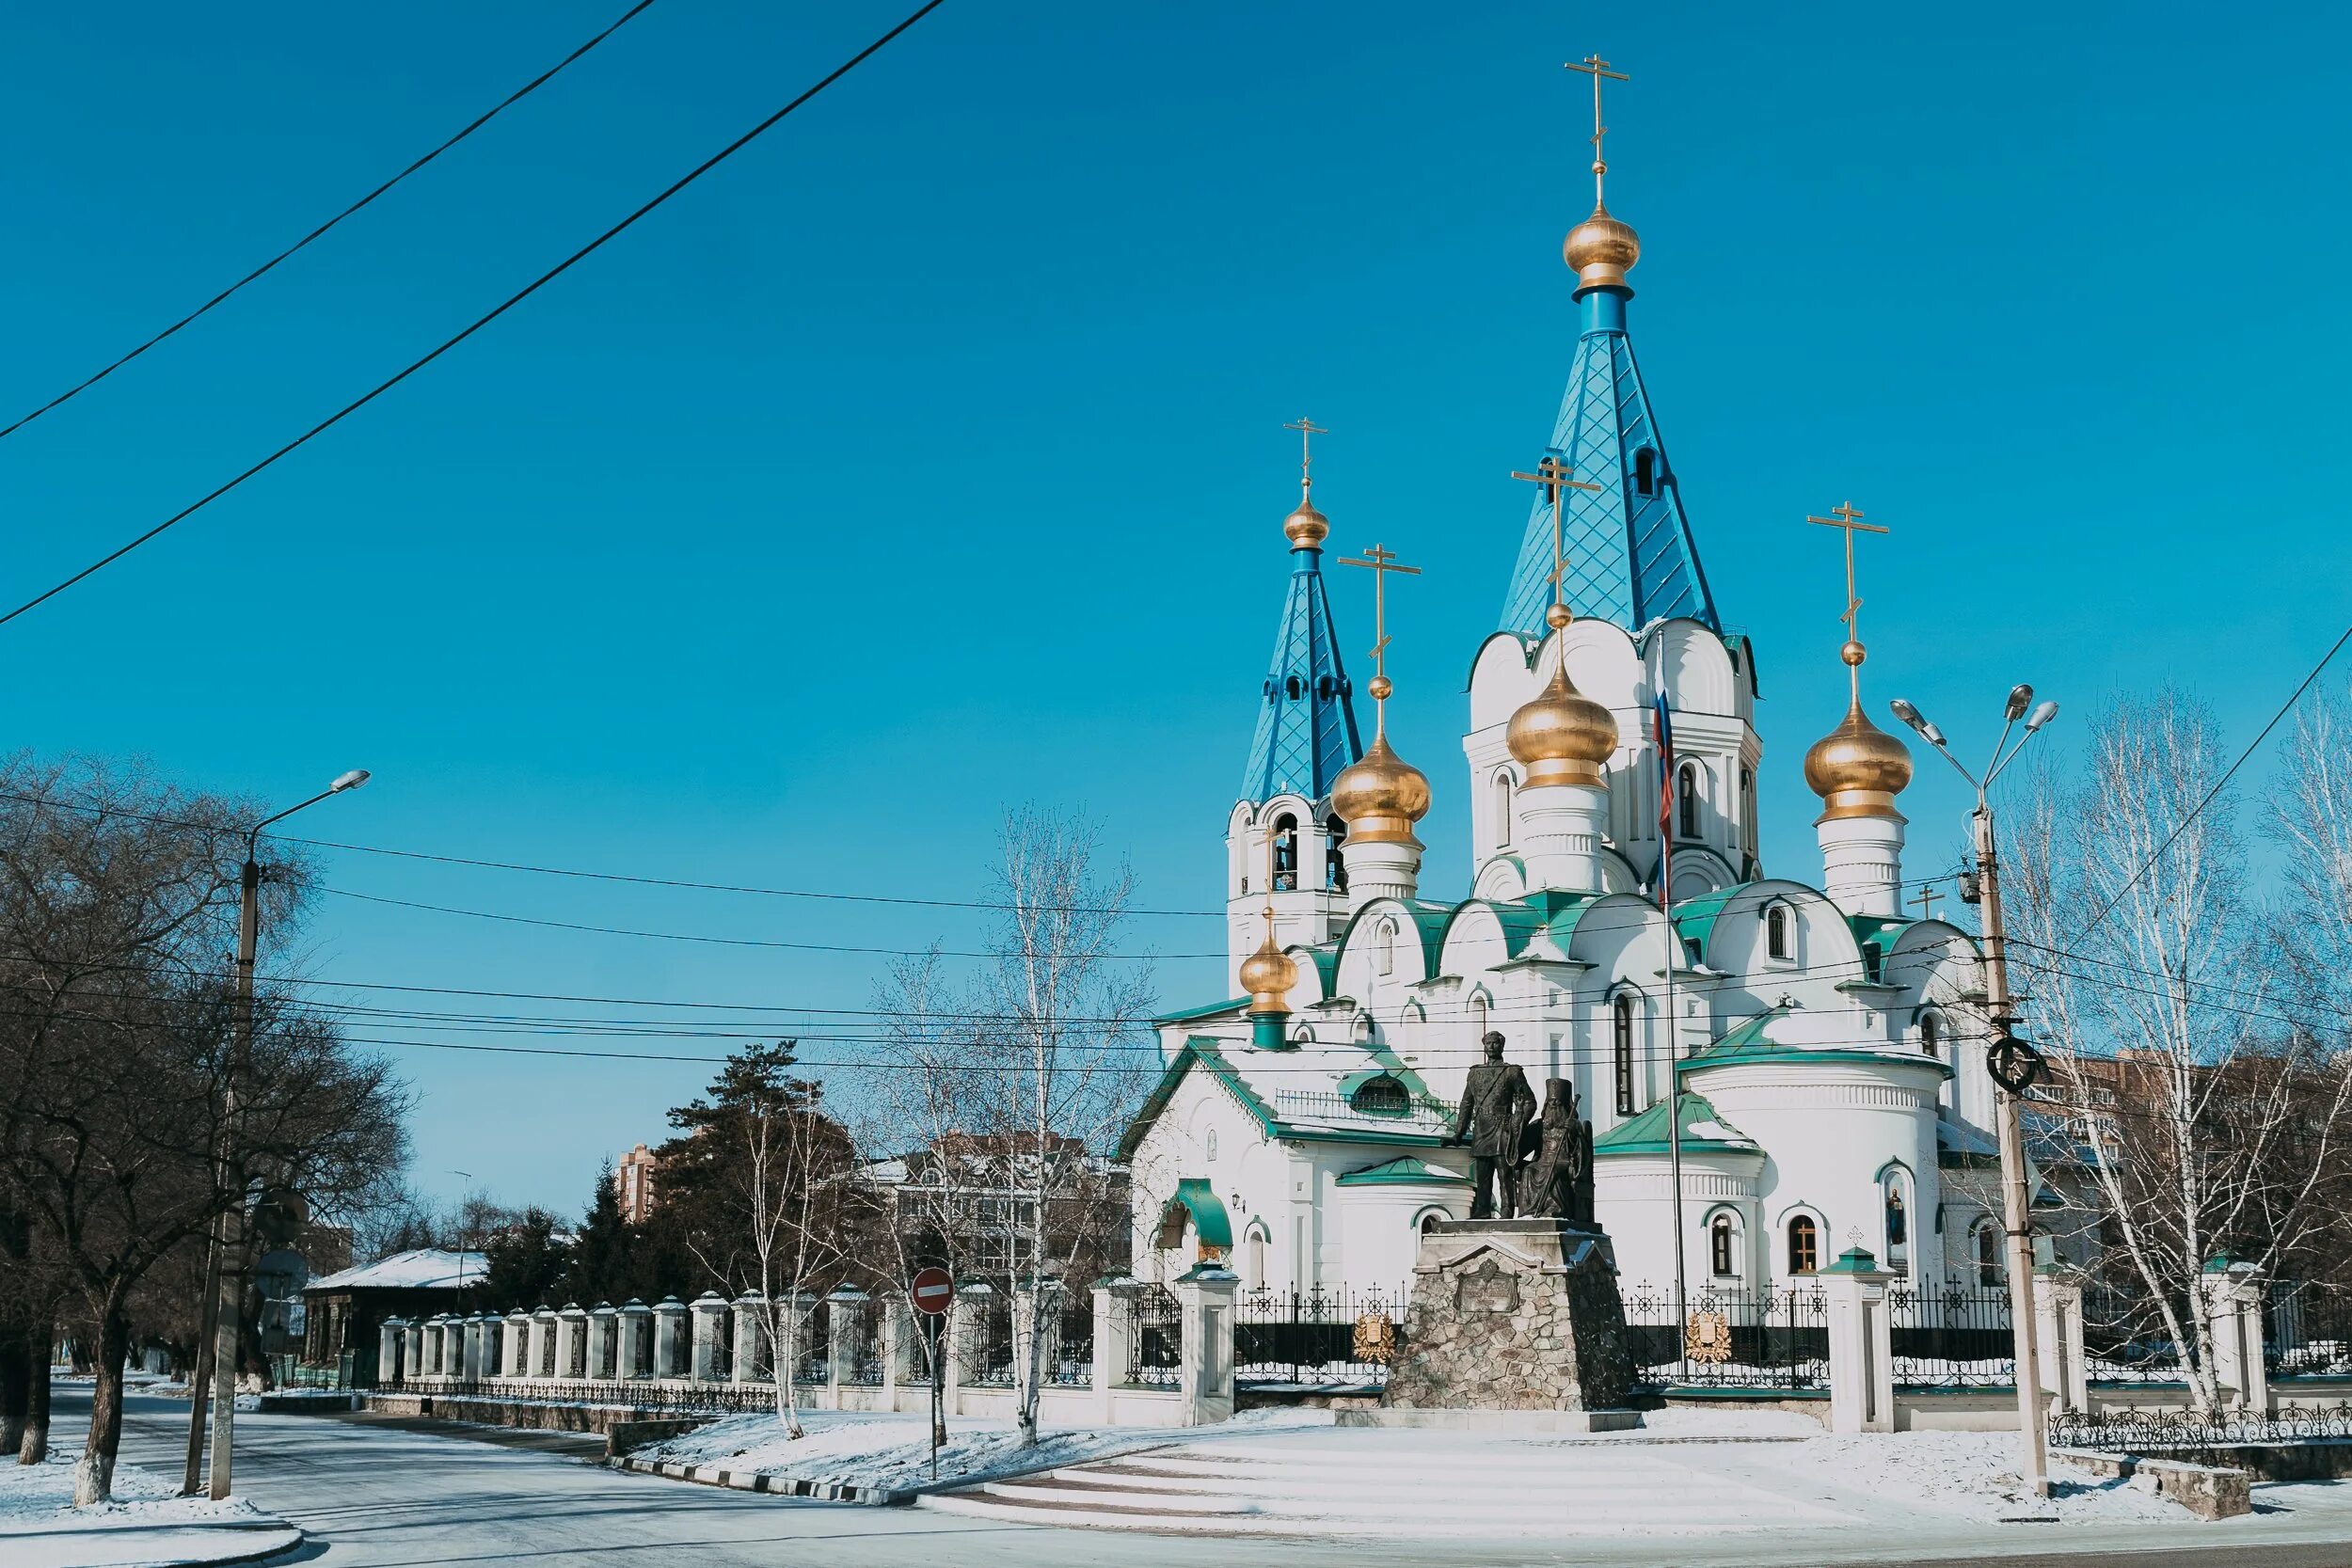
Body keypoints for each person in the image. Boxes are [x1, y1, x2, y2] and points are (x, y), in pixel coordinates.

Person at [1450, 1031, 1536, 1219]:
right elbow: (1466, 1103)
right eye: (1488, 1043)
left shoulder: (1511, 1071)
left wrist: (1518, 1122)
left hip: (1501, 1127)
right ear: (1484, 1046)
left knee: (1504, 1172)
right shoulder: (1474, 1073)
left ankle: (1507, 1209)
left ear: (1502, 1045)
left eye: (1495, 1043)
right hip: (1481, 1128)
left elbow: (1529, 1101)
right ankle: (1482, 1210)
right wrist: (1459, 1132)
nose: (1491, 1046)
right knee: (1483, 1172)